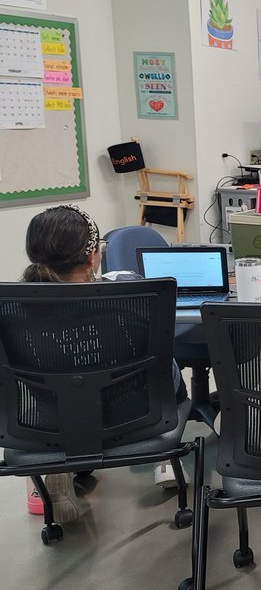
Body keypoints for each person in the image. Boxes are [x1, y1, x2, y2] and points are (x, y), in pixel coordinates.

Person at [20, 204, 190, 521]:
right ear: (92, 255)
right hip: (135, 417)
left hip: (50, 419)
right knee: (165, 363)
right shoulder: (129, 287)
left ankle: (57, 465)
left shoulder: (16, 306)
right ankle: (163, 462)